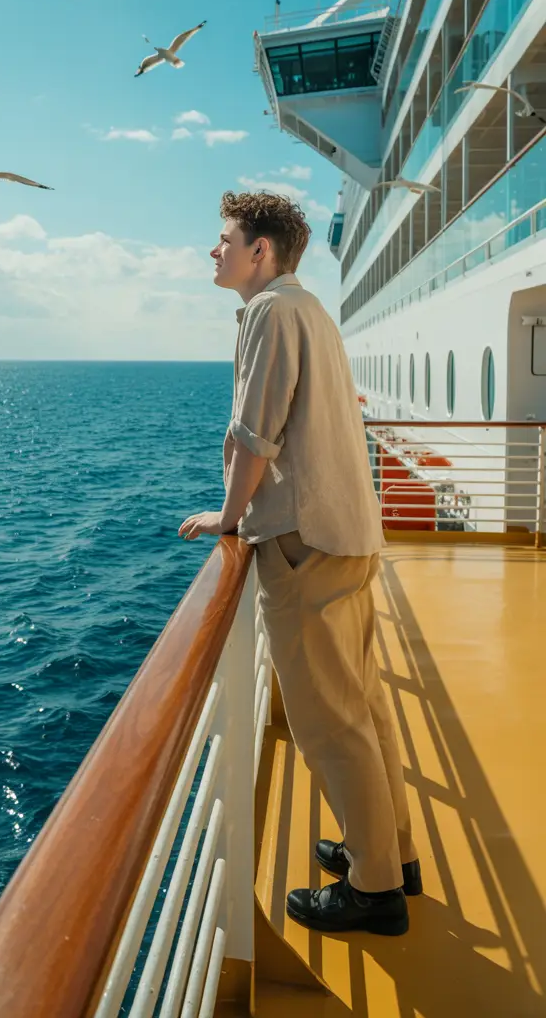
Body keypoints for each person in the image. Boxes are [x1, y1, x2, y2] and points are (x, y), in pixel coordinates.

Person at [179, 190, 420, 936]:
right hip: (348, 536)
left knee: (329, 724)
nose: (214, 251)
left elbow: (257, 435)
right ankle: (392, 855)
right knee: (363, 705)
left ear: (260, 251)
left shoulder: (271, 312)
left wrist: (227, 518)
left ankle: (375, 891)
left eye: (225, 240)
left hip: (304, 543)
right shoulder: (309, 308)